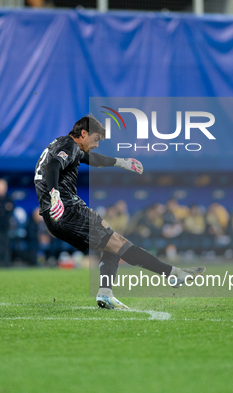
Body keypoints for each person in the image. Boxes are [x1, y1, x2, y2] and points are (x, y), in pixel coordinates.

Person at [34, 115, 205, 310]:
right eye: (96, 139)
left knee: (112, 245)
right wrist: (54, 192)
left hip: (53, 216)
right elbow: (52, 166)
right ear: (84, 133)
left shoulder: (63, 145)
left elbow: (91, 158)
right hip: (68, 210)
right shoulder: (70, 146)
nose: (97, 144)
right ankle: (173, 274)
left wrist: (121, 162)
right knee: (119, 244)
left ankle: (106, 294)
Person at [0, 178, 14, 267]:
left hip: (6, 224)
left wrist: (2, 207)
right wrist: (5, 207)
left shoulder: (9, 198)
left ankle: (6, 263)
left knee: (6, 244)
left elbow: (11, 207)